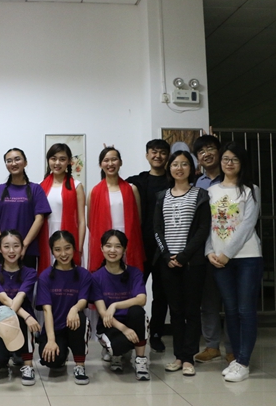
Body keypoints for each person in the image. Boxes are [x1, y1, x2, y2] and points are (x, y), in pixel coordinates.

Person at [206, 142, 263, 382]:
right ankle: (237, 359)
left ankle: (244, 362)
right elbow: (209, 224)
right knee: (230, 311)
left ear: (242, 163)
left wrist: (227, 253)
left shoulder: (250, 190)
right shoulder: (212, 190)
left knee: (245, 310)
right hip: (219, 260)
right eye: (226, 159)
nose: (229, 163)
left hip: (247, 257)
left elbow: (248, 225)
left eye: (234, 159)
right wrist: (209, 251)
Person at [153, 150, 210, 376]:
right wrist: (167, 256)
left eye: (184, 164)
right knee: (175, 311)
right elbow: (157, 229)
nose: (179, 168)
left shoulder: (200, 195)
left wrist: (184, 256)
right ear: (169, 168)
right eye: (175, 164)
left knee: (191, 311)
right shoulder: (162, 196)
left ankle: (189, 358)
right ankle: (178, 356)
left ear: (192, 169)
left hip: (192, 262)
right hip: (168, 263)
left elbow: (203, 229)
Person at [192, 135, 233, 364]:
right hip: (204, 249)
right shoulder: (196, 183)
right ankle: (211, 346)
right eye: (201, 152)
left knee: (231, 301)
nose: (206, 154)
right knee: (208, 301)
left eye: (210, 149)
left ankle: (233, 347)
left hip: (229, 248)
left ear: (219, 151)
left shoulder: (231, 179)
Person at [126, 139, 170, 353]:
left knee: (161, 294)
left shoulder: (173, 180)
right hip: (141, 247)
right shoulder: (138, 181)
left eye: (162, 152)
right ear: (147, 155)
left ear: (167, 156)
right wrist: (110, 156)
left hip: (166, 249)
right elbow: (114, 184)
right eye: (154, 152)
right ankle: (130, 334)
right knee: (133, 293)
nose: (157, 156)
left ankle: (156, 334)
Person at [36, 231, 93, 385]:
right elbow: (47, 310)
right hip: (54, 329)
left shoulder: (84, 274)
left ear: (74, 248)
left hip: (73, 325)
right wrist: (51, 340)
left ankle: (80, 365)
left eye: (67, 248)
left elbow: (83, 300)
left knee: (80, 318)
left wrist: (74, 309)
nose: (63, 254)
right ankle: (62, 352)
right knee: (51, 361)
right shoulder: (45, 276)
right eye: (58, 249)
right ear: (52, 251)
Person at [0, 230, 41, 386]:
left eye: (16, 246)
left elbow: (19, 299)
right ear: (0, 248)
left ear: (22, 248)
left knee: (23, 320)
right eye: (6, 246)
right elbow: (4, 300)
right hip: (0, 323)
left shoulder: (30, 273)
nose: (11, 251)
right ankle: (12, 352)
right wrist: (27, 315)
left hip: (24, 324)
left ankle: (28, 365)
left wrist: (26, 317)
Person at [92, 230, 149, 381]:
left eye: (118, 246)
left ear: (124, 249)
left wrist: (115, 305)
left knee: (138, 312)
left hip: (131, 322)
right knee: (117, 347)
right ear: (101, 248)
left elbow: (141, 299)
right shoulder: (96, 277)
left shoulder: (134, 273)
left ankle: (140, 360)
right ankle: (115, 354)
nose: (112, 250)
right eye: (108, 246)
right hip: (109, 325)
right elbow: (103, 313)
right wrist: (124, 329)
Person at [0, 148, 51, 269]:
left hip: (28, 249)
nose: (13, 163)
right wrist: (3, 245)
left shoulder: (36, 189)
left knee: (26, 281)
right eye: (9, 161)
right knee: (1, 281)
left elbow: (39, 219)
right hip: (2, 251)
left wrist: (24, 245)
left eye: (17, 159)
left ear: (25, 162)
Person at [87, 147, 144, 273]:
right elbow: (91, 224)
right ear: (101, 164)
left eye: (114, 159)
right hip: (105, 244)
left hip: (127, 244)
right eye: (106, 160)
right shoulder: (94, 192)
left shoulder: (132, 189)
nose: (110, 164)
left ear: (120, 162)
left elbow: (138, 221)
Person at [38, 143, 86, 276]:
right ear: (48, 160)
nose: (57, 163)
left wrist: (78, 247)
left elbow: (82, 220)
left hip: (69, 237)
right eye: (53, 159)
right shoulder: (40, 186)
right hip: (46, 235)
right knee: (48, 274)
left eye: (62, 159)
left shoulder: (76, 186)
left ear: (69, 161)